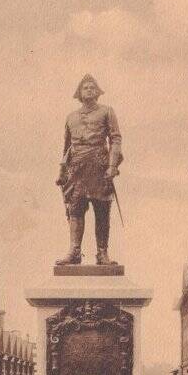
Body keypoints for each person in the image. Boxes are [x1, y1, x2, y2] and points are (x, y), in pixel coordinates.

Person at [55, 75, 123, 266]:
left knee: (102, 210)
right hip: (76, 168)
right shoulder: (71, 117)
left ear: (98, 92)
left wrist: (112, 166)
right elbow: (67, 147)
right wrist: (62, 172)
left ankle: (102, 253)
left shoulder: (107, 112)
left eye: (93, 87)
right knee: (75, 210)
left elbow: (115, 139)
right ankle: (74, 251)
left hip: (99, 166)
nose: (90, 90)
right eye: (85, 87)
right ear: (79, 93)